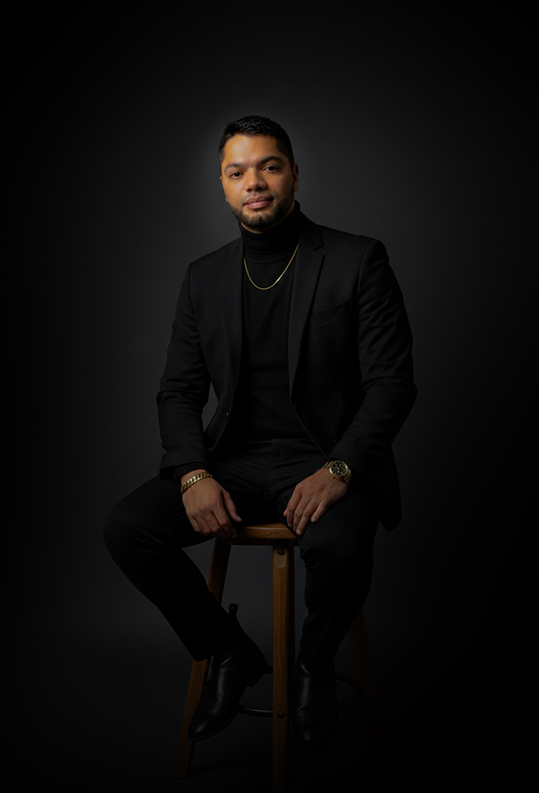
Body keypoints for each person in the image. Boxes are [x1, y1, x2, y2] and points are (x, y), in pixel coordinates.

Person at [104, 115, 416, 749]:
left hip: (326, 457)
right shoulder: (203, 276)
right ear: (222, 186)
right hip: (235, 461)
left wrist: (340, 470)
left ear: (294, 174)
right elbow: (179, 391)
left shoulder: (357, 259)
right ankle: (229, 652)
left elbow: (392, 383)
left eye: (269, 166)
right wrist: (193, 473)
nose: (255, 182)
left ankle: (312, 666)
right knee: (128, 529)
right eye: (237, 171)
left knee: (342, 549)